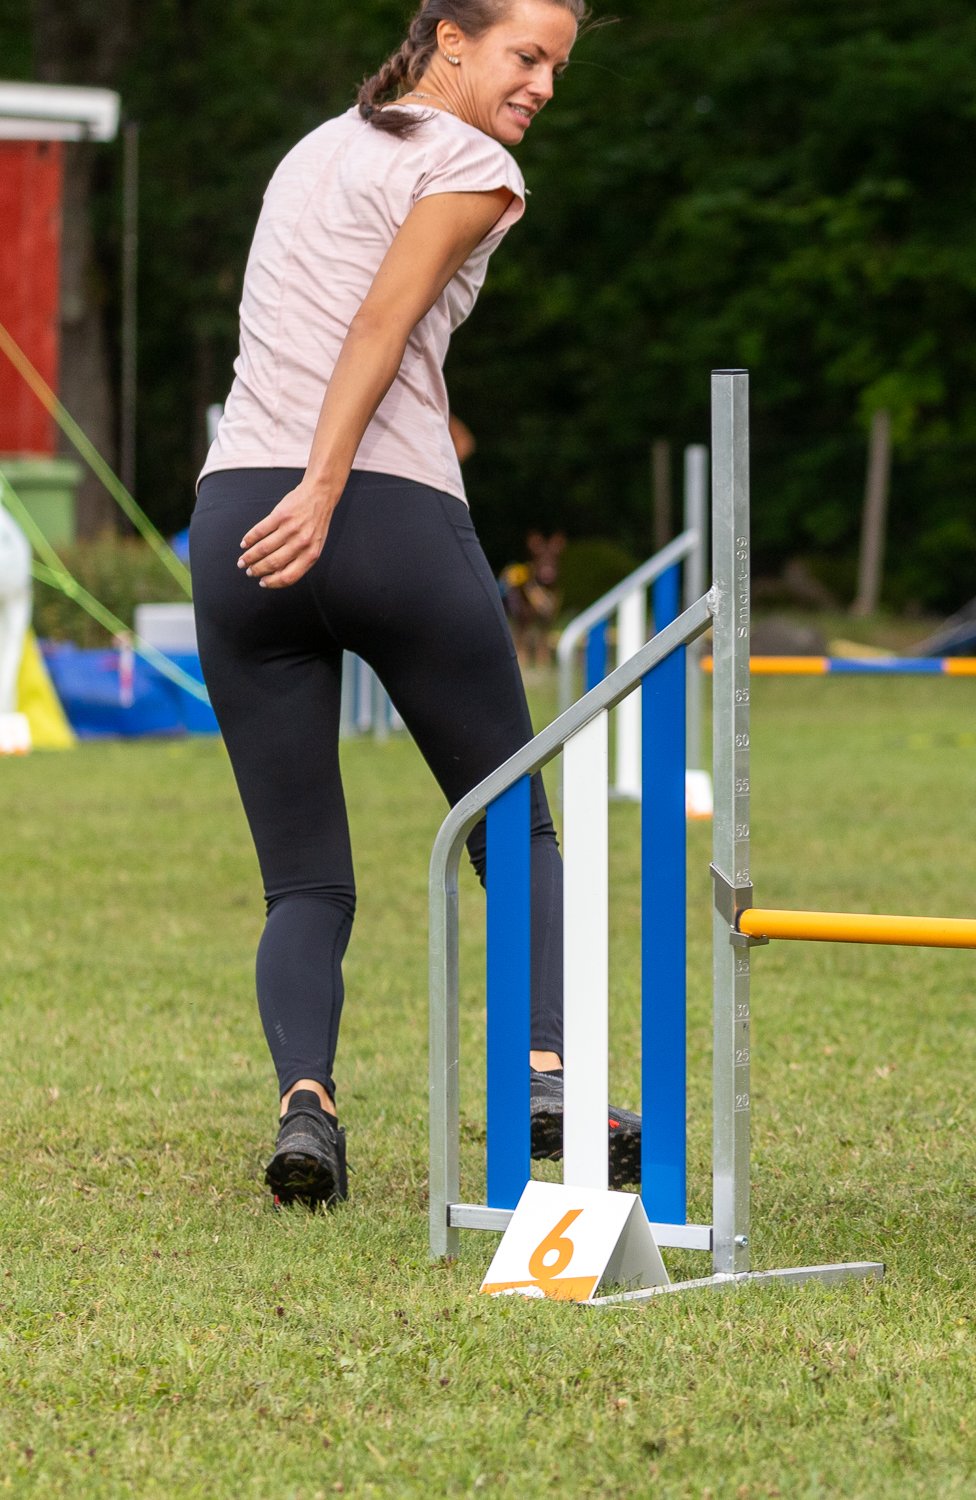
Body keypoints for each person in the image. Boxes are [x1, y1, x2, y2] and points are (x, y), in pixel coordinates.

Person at [191, 0, 638, 1208]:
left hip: (234, 517)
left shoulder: (314, 149)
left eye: (556, 66)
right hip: (372, 507)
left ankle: (307, 1108)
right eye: (524, 56)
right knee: (514, 832)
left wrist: (288, 488)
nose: (543, 84)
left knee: (305, 883)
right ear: (449, 40)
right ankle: (548, 1077)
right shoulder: (472, 161)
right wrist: (327, 486)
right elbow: (381, 322)